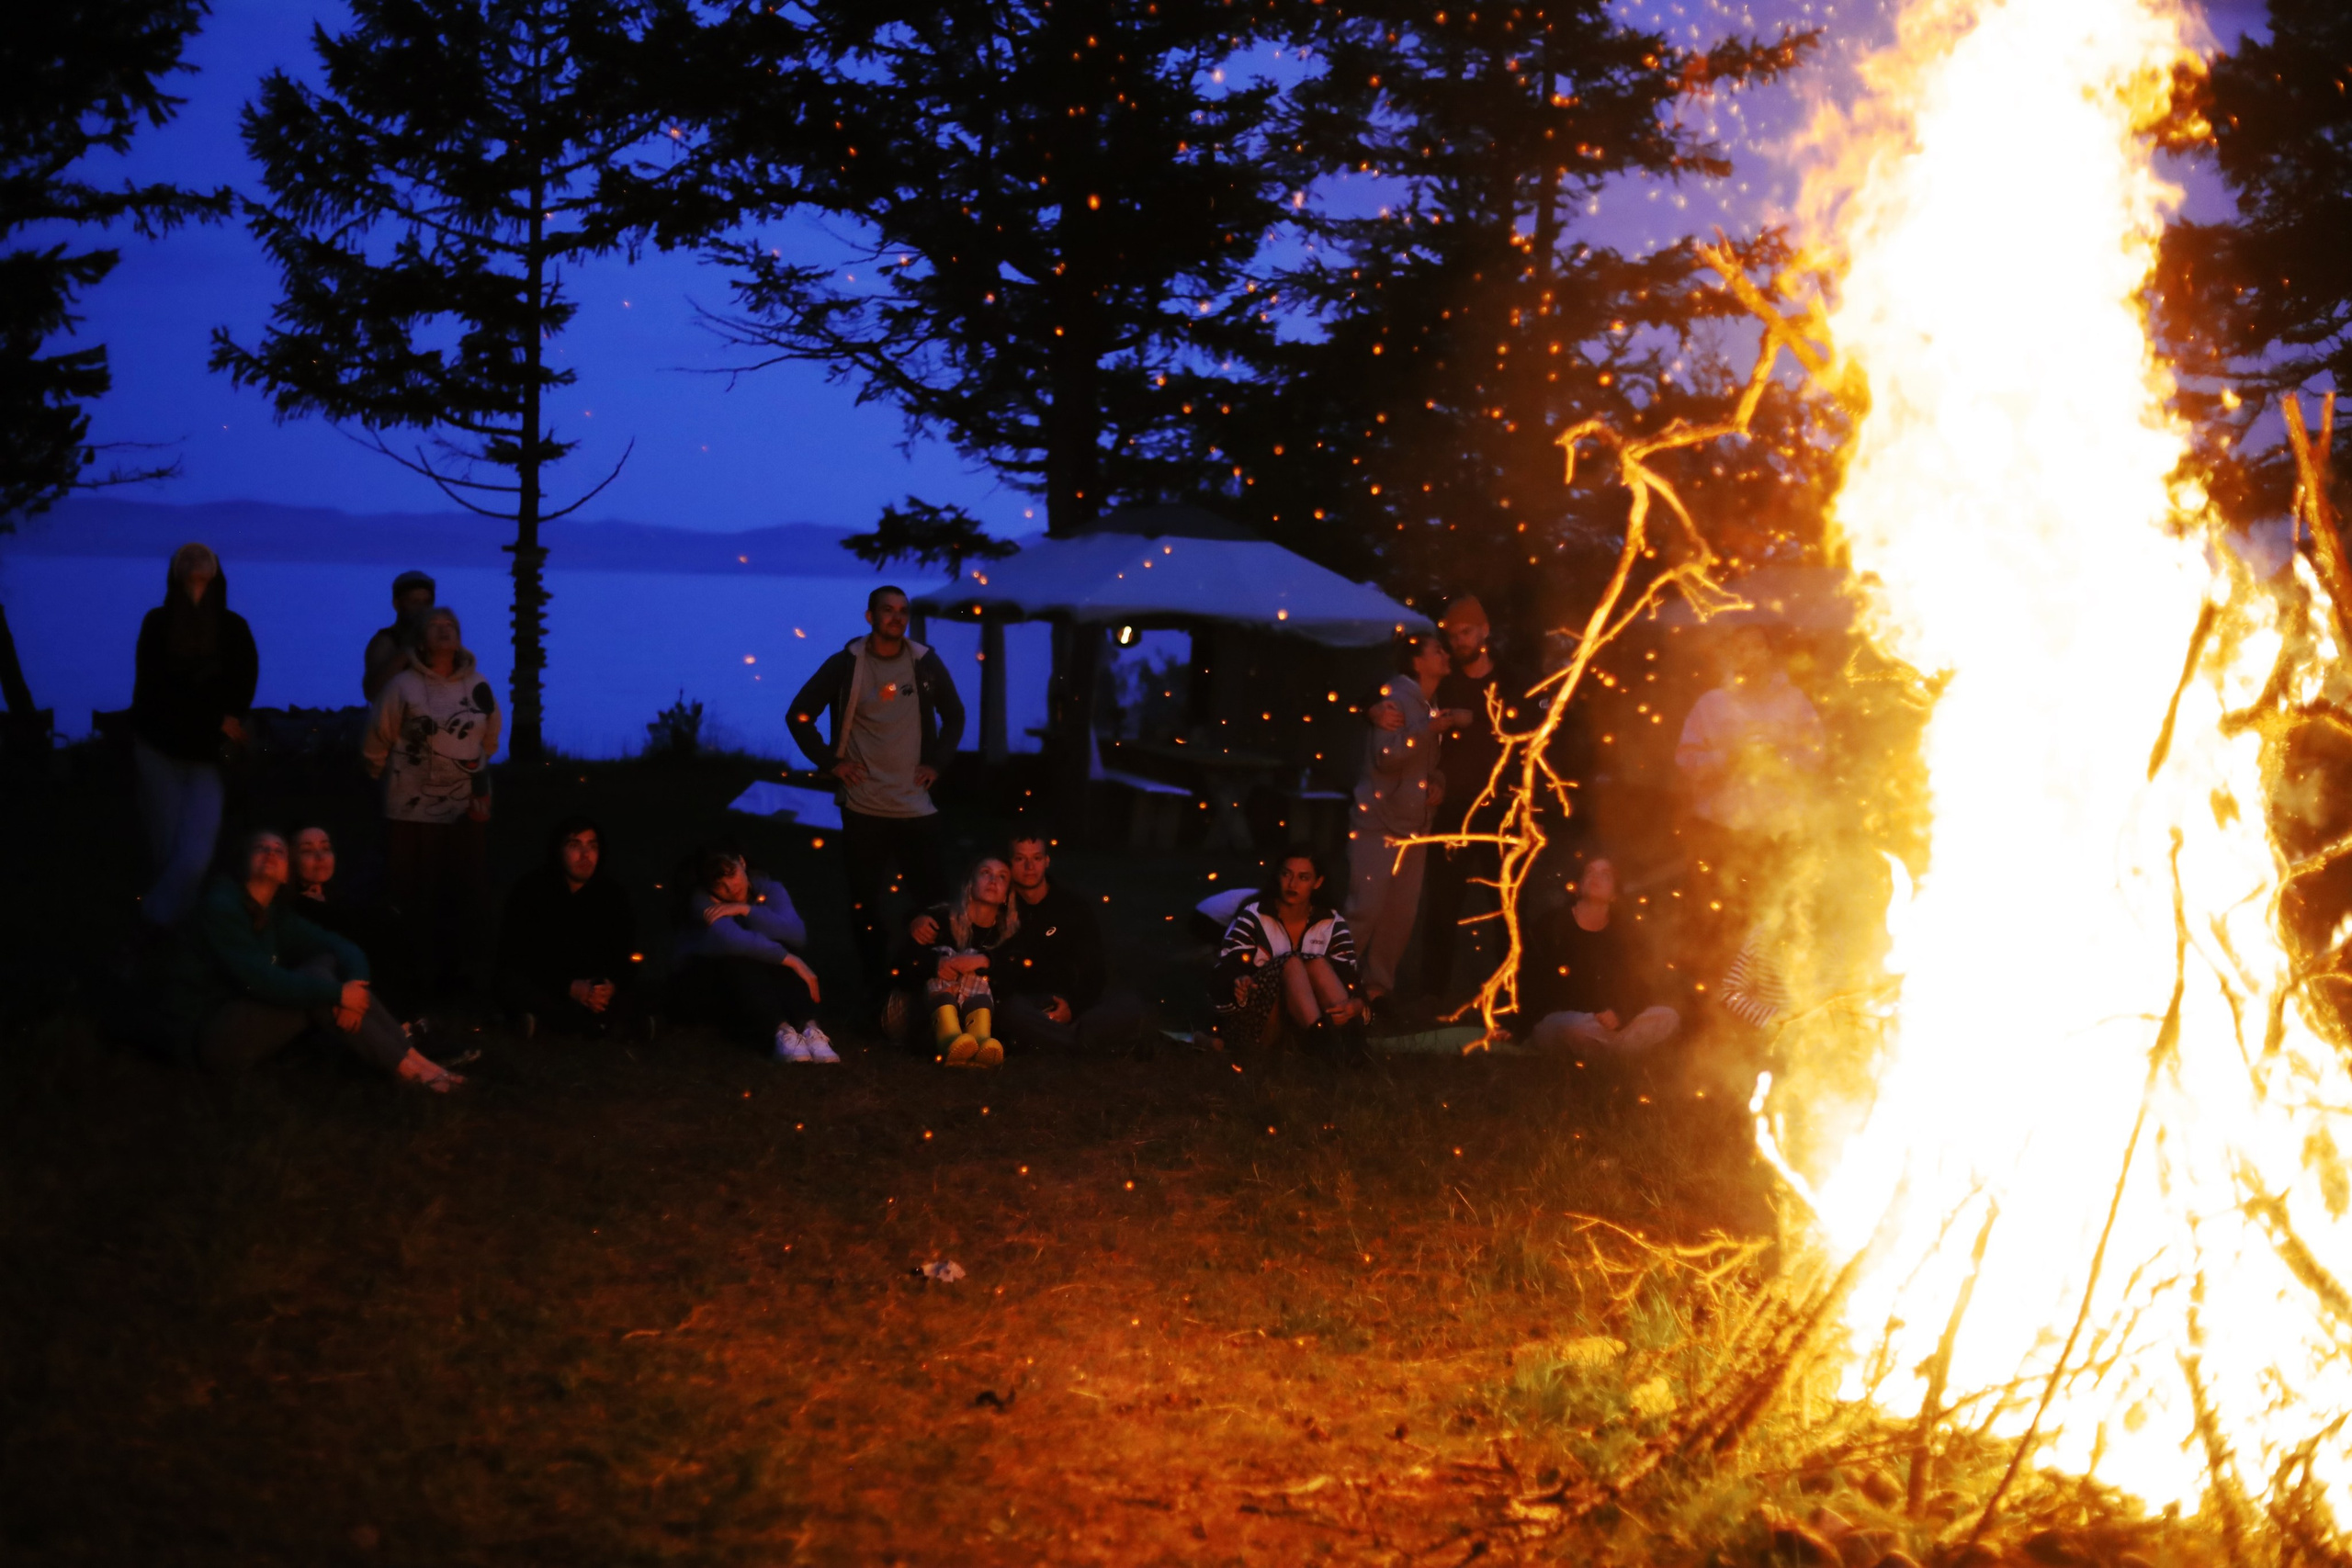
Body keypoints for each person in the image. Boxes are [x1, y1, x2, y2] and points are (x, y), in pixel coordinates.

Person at [164, 829, 463, 1089]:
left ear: (286, 873)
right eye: (261, 848)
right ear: (244, 863)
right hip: (210, 1037)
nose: (270, 853)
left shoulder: (276, 915)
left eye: (278, 850)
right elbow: (258, 979)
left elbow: (343, 947)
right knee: (319, 982)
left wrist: (352, 987)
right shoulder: (222, 906)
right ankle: (409, 1071)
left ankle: (416, 1061)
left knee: (324, 965)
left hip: (243, 1019)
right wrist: (337, 994)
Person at [786, 585, 967, 1003]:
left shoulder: (923, 663)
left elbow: (954, 714)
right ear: (870, 616)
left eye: (903, 611)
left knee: (934, 900)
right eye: (887, 610)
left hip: (915, 805)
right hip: (864, 806)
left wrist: (936, 763)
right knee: (866, 903)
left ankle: (937, 980)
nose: (896, 618)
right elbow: (799, 715)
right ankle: (877, 985)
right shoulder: (847, 665)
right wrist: (832, 762)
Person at [1378, 596, 1532, 1001]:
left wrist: (1476, 720)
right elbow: (1400, 696)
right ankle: (1432, 995)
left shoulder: (1512, 682)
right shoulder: (1444, 682)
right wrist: (1372, 710)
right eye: (1452, 635)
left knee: (1508, 906)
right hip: (1454, 809)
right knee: (1443, 904)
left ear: (1485, 632)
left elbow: (1528, 728)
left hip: (1503, 809)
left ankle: (1512, 998)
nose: (1459, 641)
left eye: (1466, 632)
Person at [364, 605, 500, 1001]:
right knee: (411, 893)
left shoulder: (478, 684)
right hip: (411, 809)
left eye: (451, 626)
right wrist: (383, 777)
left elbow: (488, 740)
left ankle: (456, 979)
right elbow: (378, 739)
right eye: (435, 626)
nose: (444, 631)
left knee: (460, 892)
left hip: (463, 811)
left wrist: (478, 787)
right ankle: (410, 981)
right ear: (420, 641)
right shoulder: (403, 687)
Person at [1673, 625, 1826, 954]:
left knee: (1779, 918)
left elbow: (1818, 755)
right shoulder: (1712, 705)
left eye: (1754, 647)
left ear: (1769, 653)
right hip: (1724, 833)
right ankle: (1720, 997)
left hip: (1780, 833)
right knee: (1724, 921)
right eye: (1739, 648)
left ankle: (1776, 997)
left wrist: (1780, 753)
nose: (1747, 654)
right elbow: (1686, 761)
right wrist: (1729, 756)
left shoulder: (1794, 702)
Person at [130, 543, 259, 928]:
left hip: (206, 758)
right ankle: (180, 940)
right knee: (168, 852)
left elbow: (240, 691)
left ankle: (149, 924)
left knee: (194, 856)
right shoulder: (158, 624)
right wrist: (209, 715)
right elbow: (154, 690)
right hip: (159, 749)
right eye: (191, 579)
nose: (197, 587)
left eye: (204, 579)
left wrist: (214, 718)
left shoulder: (233, 629)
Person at [1347, 632, 1453, 1010]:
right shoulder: (1393, 699)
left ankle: (1376, 989)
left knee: (1399, 914)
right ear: (1416, 662)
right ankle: (1333, 980)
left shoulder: (1428, 702)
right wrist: (1428, 729)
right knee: (1367, 907)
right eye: (1436, 651)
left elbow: (1427, 762)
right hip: (1378, 823)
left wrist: (1436, 781)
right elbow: (1387, 758)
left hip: (1414, 828)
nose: (1445, 654)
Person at [980, 829, 1143, 1053]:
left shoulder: (1071, 907)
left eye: (1036, 858)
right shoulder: (999, 906)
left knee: (1129, 1005)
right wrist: (921, 919)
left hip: (1067, 999)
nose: (1029, 867)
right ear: (1009, 864)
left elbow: (1094, 969)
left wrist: (1073, 1008)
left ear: (1046, 861)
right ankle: (1079, 1044)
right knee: (1005, 1010)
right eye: (1020, 859)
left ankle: (1048, 1039)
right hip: (1024, 1003)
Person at [671, 844, 833, 1061]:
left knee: (780, 948)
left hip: (758, 976)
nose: (730, 888)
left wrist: (746, 910)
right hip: (705, 981)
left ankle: (809, 1028)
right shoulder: (702, 900)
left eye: (732, 874)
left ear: (742, 863)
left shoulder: (770, 889)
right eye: (719, 885)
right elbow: (731, 941)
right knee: (745, 958)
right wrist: (792, 961)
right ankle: (781, 1030)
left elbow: (796, 934)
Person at [497, 816, 645, 1039]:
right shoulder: (532, 890)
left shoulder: (613, 895)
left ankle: (555, 1025)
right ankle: (598, 1026)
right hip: (549, 981)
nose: (585, 855)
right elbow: (520, 953)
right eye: (575, 845)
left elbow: (625, 951)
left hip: (593, 983)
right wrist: (569, 987)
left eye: (592, 846)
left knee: (641, 991)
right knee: (513, 985)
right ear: (559, 850)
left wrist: (609, 986)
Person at [1522, 857, 1680, 1056]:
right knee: (1577, 1028)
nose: (1595, 877)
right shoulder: (1552, 926)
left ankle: (1605, 1049)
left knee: (1668, 1016)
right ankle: (1615, 1049)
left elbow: (1640, 988)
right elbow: (1529, 982)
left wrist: (1620, 1014)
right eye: (1590, 872)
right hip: (1561, 1022)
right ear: (1578, 887)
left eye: (1605, 875)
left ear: (1614, 893)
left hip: (1605, 1027)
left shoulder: (1623, 935)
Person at [1211, 852, 1365, 1052]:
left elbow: (1349, 977)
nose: (1292, 884)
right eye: (1287, 874)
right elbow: (1225, 972)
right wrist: (1239, 984)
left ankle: (1347, 1047)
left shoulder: (1331, 923)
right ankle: (1326, 1047)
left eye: (1303, 878)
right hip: (1259, 1024)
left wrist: (1357, 1005)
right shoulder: (1255, 915)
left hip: (1309, 1022)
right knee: (1291, 963)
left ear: (1317, 883)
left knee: (1318, 964)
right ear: (1278, 876)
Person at [901, 856, 1022, 1067]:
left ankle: (979, 1040)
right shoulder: (940, 919)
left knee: (976, 969)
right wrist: (936, 965)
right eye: (985, 873)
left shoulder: (1007, 935)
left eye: (1002, 877)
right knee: (947, 954)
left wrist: (983, 961)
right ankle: (949, 1037)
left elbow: (1014, 974)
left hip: (977, 1010)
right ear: (970, 883)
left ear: (1006, 895)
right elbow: (903, 961)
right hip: (925, 1010)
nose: (993, 880)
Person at [288, 824, 416, 1015]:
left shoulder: (342, 898)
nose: (320, 857)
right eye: (307, 851)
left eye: (326, 848)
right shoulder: (294, 908)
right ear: (291, 859)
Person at [362, 570, 437, 704]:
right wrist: (407, 651)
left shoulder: (436, 640)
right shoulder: (385, 642)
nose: (422, 609)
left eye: (427, 603)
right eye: (415, 602)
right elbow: (373, 692)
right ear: (397, 604)